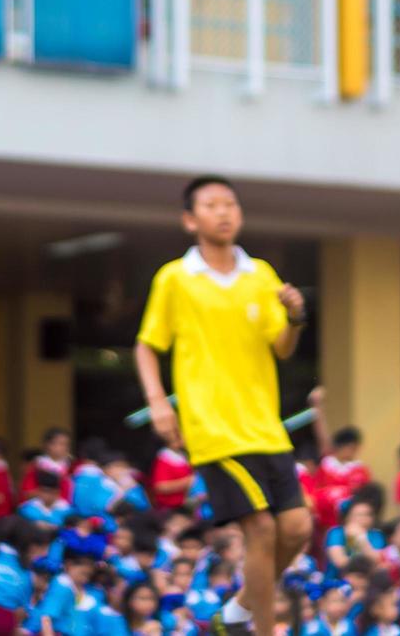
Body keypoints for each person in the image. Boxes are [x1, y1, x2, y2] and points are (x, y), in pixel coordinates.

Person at [134, 175, 313, 636]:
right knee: (262, 531)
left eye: (230, 203)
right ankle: (261, 630)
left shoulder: (261, 275)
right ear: (190, 220)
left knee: (296, 529)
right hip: (212, 428)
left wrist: (294, 317)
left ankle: (237, 612)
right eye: (211, 205)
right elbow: (147, 346)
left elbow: (283, 347)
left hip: (265, 426)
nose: (224, 212)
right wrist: (158, 403)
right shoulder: (175, 278)